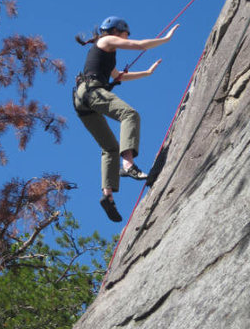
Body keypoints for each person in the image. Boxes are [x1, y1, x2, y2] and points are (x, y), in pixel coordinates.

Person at [73, 16, 179, 222]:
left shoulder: (106, 52)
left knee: (110, 147)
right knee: (129, 114)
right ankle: (128, 165)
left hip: (82, 100)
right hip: (92, 92)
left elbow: (118, 75)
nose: (127, 38)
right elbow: (139, 45)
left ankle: (108, 196)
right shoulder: (105, 41)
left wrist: (146, 73)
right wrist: (165, 39)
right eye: (125, 34)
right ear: (116, 31)